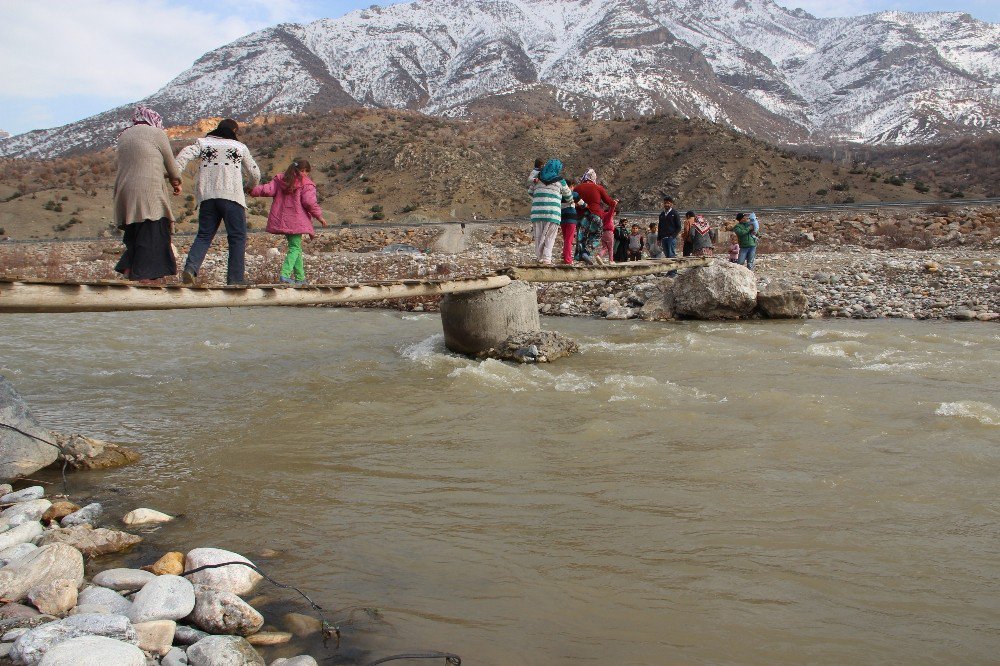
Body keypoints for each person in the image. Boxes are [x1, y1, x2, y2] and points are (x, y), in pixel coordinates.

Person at [175, 118, 261, 286]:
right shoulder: (239, 147)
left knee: (204, 235)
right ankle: (235, 279)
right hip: (232, 197)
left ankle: (190, 269)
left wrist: (176, 176)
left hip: (207, 197)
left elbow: (185, 154)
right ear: (234, 131)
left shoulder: (203, 143)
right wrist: (249, 187)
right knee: (237, 237)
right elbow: (255, 173)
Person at [112, 105, 183, 284]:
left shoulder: (123, 136)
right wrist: (176, 180)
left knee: (136, 232)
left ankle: (129, 266)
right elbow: (171, 164)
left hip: (124, 191)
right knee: (153, 233)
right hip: (148, 192)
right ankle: (145, 276)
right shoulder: (156, 134)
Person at [247, 159, 328, 285]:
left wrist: (252, 190)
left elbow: (267, 189)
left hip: (283, 220)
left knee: (296, 248)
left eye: (306, 171)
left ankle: (300, 278)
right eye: (304, 171)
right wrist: (319, 217)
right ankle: (285, 274)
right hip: (296, 221)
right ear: (300, 170)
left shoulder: (281, 180)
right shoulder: (306, 184)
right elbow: (309, 202)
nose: (305, 174)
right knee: (295, 248)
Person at [529, 159, 572, 265]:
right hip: (553, 213)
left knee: (538, 235)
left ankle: (539, 258)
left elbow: (530, 192)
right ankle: (547, 259)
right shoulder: (560, 180)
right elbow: (569, 196)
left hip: (537, 212)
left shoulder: (537, 179)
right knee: (550, 236)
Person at [575, 169, 618, 261]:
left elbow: (573, 201)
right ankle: (587, 252)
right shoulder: (598, 188)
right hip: (595, 215)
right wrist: (614, 203)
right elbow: (609, 202)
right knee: (597, 234)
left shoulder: (577, 188)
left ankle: (579, 255)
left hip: (581, 215)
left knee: (581, 236)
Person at [559, 178, 578, 264]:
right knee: (569, 239)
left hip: (562, 218)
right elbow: (582, 203)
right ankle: (568, 259)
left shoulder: (559, 194)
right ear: (570, 186)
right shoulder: (574, 194)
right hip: (571, 218)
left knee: (565, 238)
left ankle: (564, 255)